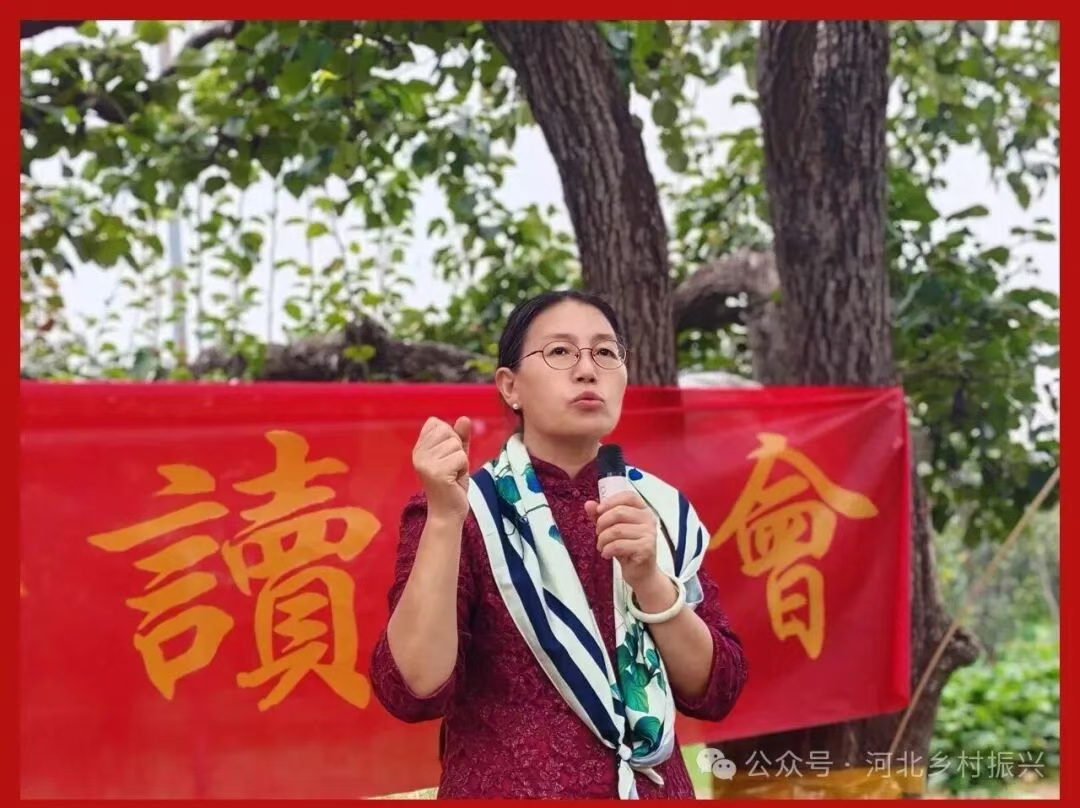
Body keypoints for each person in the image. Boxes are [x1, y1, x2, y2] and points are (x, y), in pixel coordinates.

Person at [370, 290, 748, 799]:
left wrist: (649, 581)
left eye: (605, 352)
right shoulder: (464, 506)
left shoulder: (659, 510)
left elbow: (718, 688)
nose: (587, 370)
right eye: (561, 352)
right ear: (510, 386)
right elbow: (412, 690)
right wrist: (443, 520)